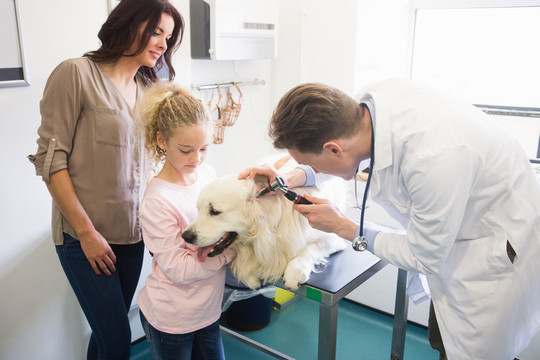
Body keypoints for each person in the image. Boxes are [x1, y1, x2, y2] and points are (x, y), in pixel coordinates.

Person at [240, 78, 540, 360]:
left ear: (333, 148)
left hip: (496, 254)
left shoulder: (433, 159)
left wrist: (344, 227)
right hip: (458, 236)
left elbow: (424, 257)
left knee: (471, 351)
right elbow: (346, 156)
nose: (309, 168)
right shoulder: (366, 111)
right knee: (443, 338)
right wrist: (295, 175)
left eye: (307, 161)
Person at [27, 1, 184, 358]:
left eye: (168, 37)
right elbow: (51, 161)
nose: (162, 43)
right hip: (83, 237)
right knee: (116, 340)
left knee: (107, 337)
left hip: (133, 234)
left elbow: (158, 157)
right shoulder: (76, 74)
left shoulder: (150, 88)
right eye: (156, 31)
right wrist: (86, 234)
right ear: (127, 24)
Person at [137, 84, 235, 360]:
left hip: (207, 312)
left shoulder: (206, 174)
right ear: (161, 140)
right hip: (172, 320)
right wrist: (230, 253)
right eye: (186, 150)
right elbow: (179, 269)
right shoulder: (158, 200)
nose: (196, 158)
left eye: (204, 148)